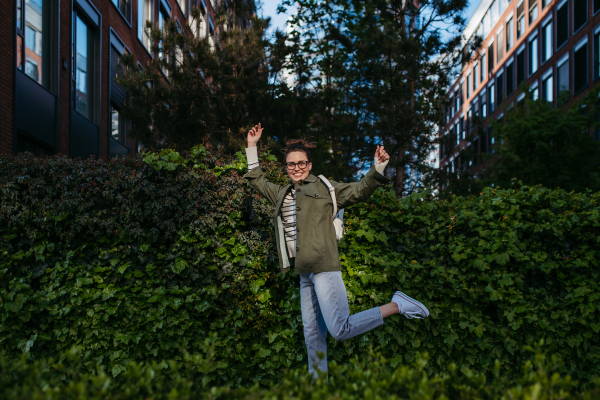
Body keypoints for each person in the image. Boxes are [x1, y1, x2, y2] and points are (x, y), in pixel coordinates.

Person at [244, 123, 430, 377]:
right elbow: (256, 179)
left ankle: (396, 305)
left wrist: (377, 167)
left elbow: (359, 190)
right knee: (312, 338)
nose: (296, 168)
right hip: (304, 273)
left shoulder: (324, 188)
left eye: (301, 163)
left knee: (339, 329)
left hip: (324, 267)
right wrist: (252, 145)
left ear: (309, 165)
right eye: (291, 164)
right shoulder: (282, 193)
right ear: (286, 168)